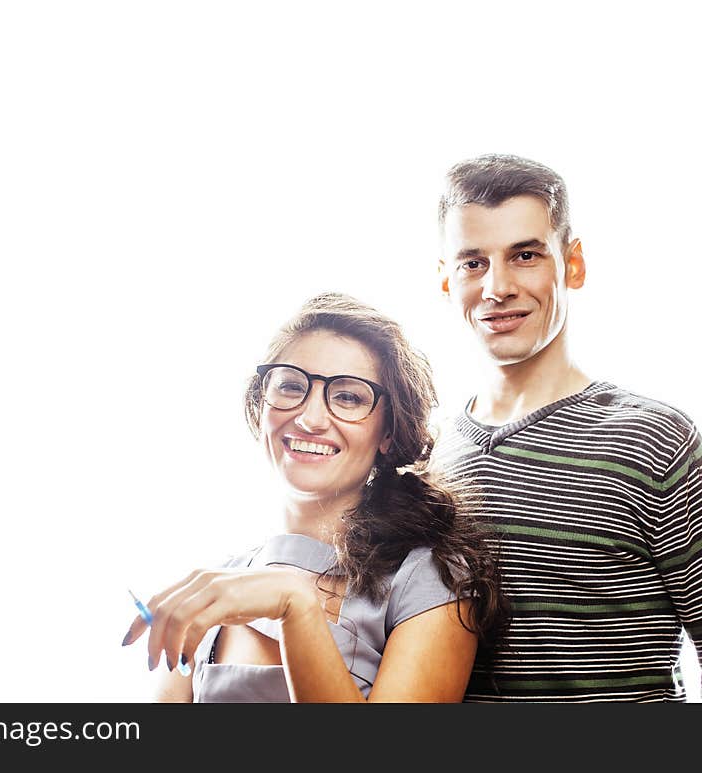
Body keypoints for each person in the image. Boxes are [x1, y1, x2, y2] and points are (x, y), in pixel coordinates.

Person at [122, 293, 508, 702]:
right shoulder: (218, 584)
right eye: (290, 386)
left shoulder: (428, 580)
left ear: (388, 433)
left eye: (348, 397)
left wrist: (296, 606)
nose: (309, 419)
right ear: (261, 404)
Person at [434, 153, 702, 702]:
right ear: (444, 278)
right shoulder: (428, 452)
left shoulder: (656, 441)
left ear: (572, 264)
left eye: (525, 254)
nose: (497, 287)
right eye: (472, 263)